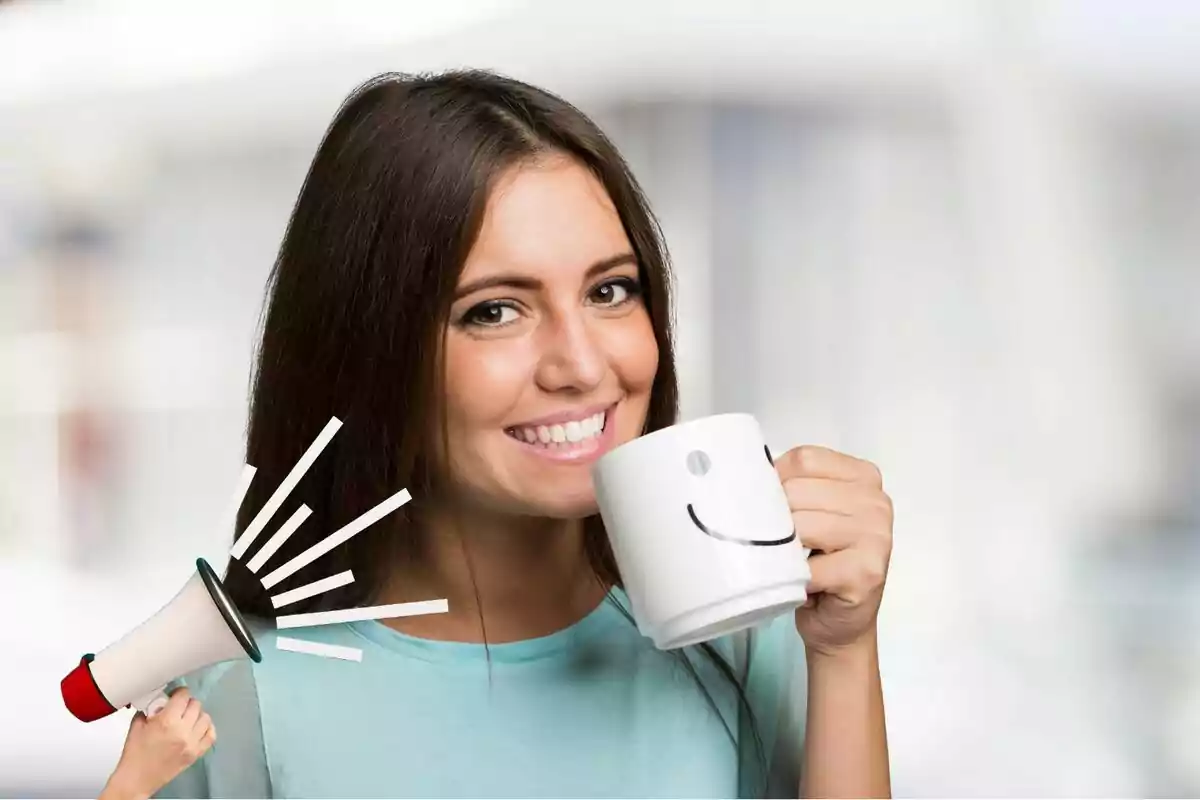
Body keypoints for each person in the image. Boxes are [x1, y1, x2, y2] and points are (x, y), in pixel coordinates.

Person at [104, 69, 893, 799]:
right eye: (494, 310)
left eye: (611, 290)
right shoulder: (242, 702)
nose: (583, 365)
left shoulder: (751, 639)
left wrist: (845, 653)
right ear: (372, 352)